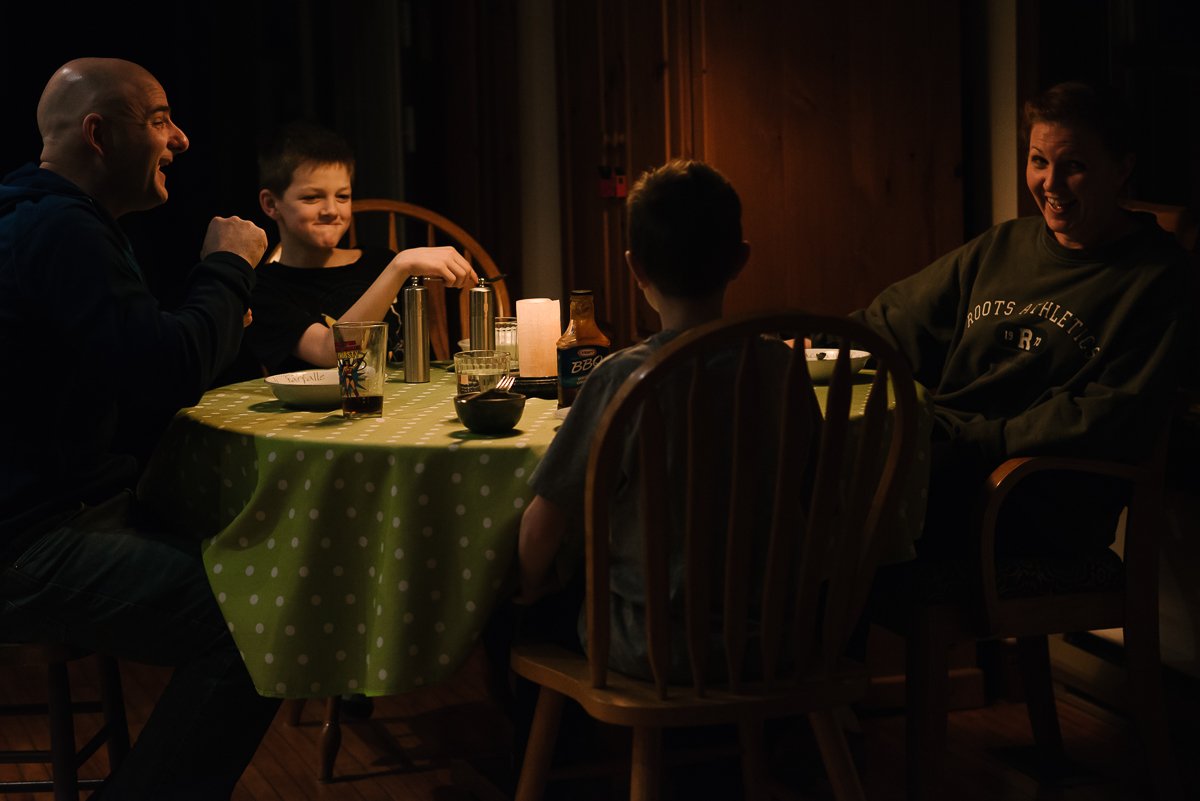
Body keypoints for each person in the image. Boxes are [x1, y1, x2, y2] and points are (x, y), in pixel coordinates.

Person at [0, 58, 280, 799]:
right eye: (158, 118)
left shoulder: (48, 220)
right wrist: (226, 267)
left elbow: (145, 351)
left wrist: (206, 318)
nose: (181, 138)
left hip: (58, 512)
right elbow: (167, 370)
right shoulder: (60, 229)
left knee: (257, 544)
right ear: (98, 133)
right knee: (262, 619)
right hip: (28, 542)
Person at [849, 80, 1192, 558]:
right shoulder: (1003, 246)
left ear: (1122, 169)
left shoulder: (1158, 279)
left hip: (1026, 494)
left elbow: (1113, 415)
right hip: (944, 458)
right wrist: (816, 348)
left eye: (1074, 167)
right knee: (799, 454)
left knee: (831, 508)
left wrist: (971, 442)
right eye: (1039, 161)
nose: (1050, 185)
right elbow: (892, 323)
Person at [245, 120, 477, 376]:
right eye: (311, 197)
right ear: (270, 204)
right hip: (320, 413)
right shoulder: (262, 290)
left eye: (343, 196)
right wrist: (400, 266)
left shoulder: (379, 262)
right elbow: (331, 351)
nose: (331, 210)